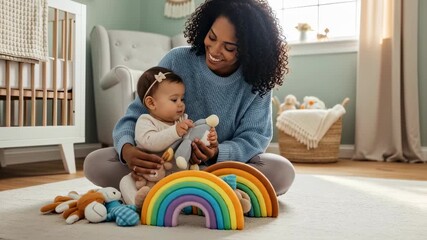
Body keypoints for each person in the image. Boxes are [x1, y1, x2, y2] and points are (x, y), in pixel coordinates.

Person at [84, 0, 295, 196]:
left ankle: (178, 188)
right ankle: (211, 191)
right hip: (165, 163)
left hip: (220, 166)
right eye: (211, 37)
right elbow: (137, 113)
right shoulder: (177, 59)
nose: (214, 50)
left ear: (250, 51)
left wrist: (217, 153)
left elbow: (255, 138)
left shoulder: (257, 80)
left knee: (282, 171)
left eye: (229, 47)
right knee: (96, 162)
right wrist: (127, 150)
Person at [118, 66, 215, 205]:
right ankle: (139, 204)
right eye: (174, 100)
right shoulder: (146, 121)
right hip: (151, 177)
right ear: (152, 103)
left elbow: (192, 140)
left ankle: (192, 202)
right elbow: (150, 142)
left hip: (178, 175)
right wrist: (175, 131)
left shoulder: (182, 120)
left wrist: (209, 138)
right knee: (126, 182)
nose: (181, 105)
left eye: (182, 99)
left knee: (205, 175)